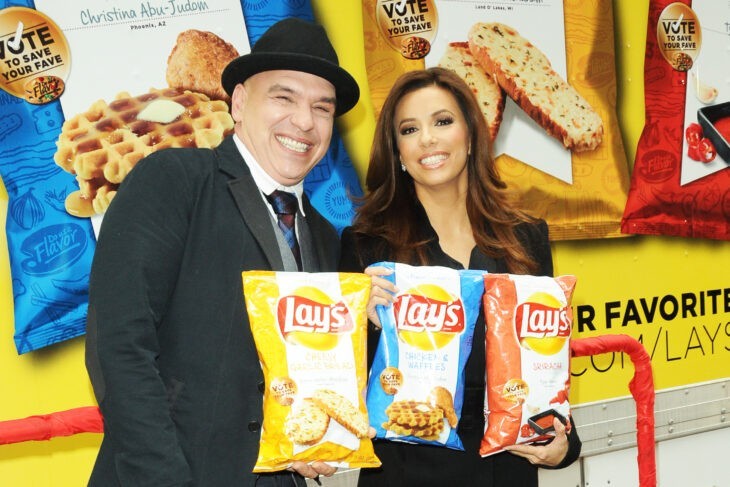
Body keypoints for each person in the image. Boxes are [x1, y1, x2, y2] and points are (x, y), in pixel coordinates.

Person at [84, 18, 359, 487]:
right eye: (284, 97)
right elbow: (118, 346)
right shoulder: (173, 180)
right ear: (239, 101)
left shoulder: (328, 238)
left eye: (322, 107)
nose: (305, 122)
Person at [338, 67, 581, 486]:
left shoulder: (526, 238)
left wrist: (562, 446)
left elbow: (547, 367)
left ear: (471, 135)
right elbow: (341, 382)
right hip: (406, 474)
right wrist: (362, 322)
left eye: (443, 121)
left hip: (507, 472)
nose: (428, 139)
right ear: (397, 150)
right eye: (410, 129)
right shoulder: (366, 246)